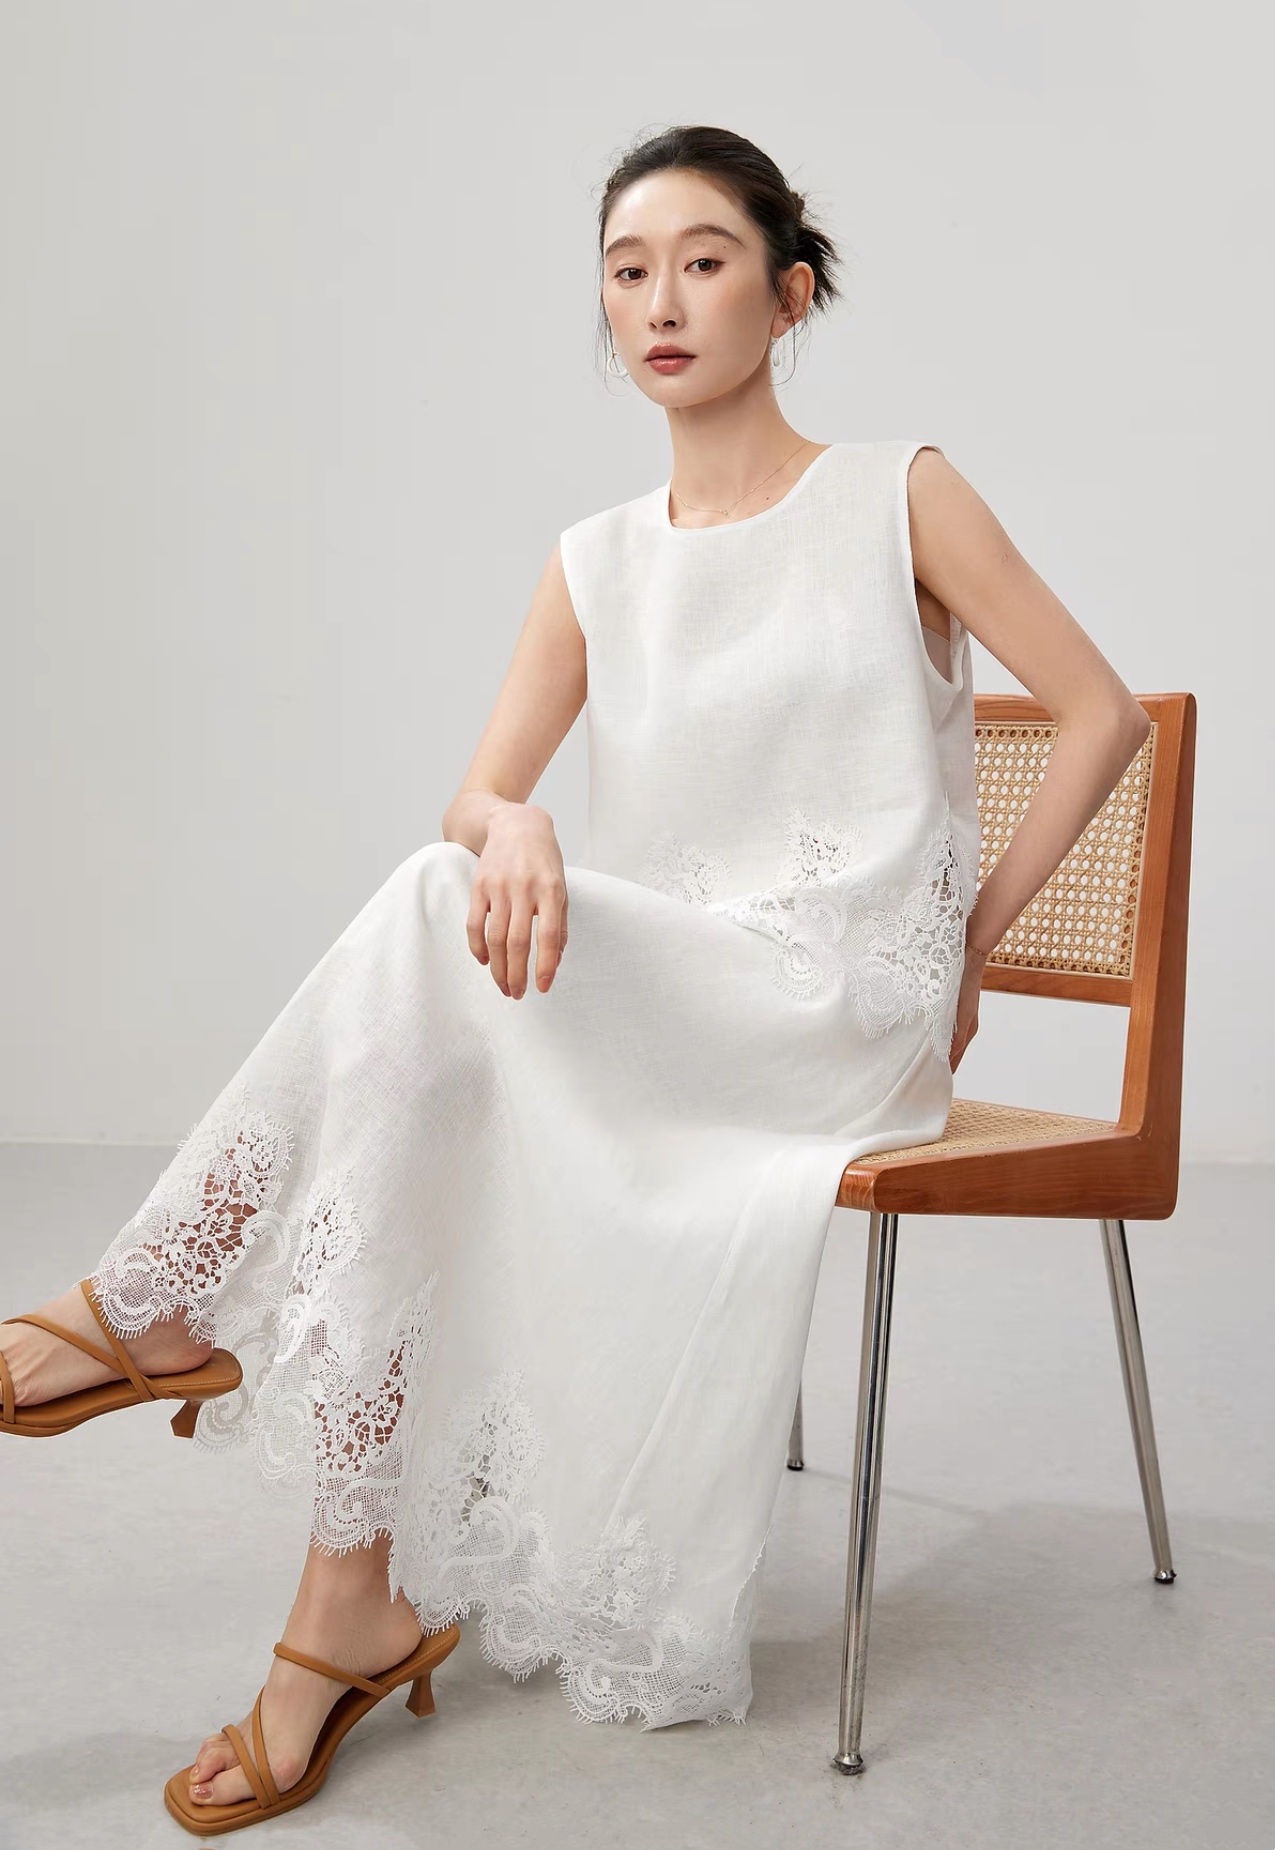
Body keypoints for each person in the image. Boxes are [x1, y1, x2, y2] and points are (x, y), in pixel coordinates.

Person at [0, 124, 1150, 1834]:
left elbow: (1102, 713)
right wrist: (515, 824)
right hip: (665, 1007)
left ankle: (163, 1304)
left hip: (834, 1013)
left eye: (704, 260)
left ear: (791, 293)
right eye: (628, 270)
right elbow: (477, 797)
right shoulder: (595, 557)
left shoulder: (896, 493)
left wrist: (959, 950)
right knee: (423, 1058)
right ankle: (342, 1593)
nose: (661, 300)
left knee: (431, 937)